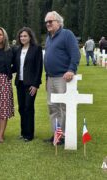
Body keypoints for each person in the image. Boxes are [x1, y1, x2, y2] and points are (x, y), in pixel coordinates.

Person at [44, 11, 80, 145]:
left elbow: (75, 53)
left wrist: (71, 69)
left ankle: (64, 134)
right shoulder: (48, 38)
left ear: (58, 22)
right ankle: (56, 133)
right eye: (46, 22)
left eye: (50, 21)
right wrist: (47, 77)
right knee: (52, 107)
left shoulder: (67, 34)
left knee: (63, 107)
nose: (48, 24)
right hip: (51, 78)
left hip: (63, 78)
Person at [14, 27, 43, 142]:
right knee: (21, 108)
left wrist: (36, 85)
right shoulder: (17, 49)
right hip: (20, 83)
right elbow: (15, 67)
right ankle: (23, 132)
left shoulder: (36, 49)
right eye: (21, 36)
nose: (23, 38)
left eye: (25, 36)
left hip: (31, 84)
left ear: (30, 37)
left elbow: (39, 68)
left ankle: (29, 134)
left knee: (28, 107)